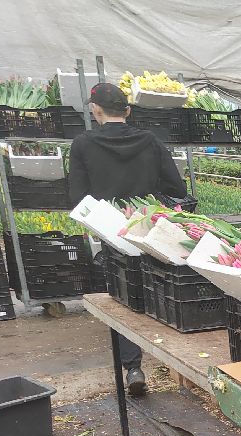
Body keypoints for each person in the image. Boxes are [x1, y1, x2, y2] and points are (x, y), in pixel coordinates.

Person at [68, 83, 191, 396]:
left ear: (95, 110)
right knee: (159, 292)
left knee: (123, 299)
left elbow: (78, 199)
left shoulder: (83, 144)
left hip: (113, 232)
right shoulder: (150, 141)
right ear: (127, 111)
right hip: (149, 229)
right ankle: (174, 357)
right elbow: (177, 190)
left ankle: (133, 367)